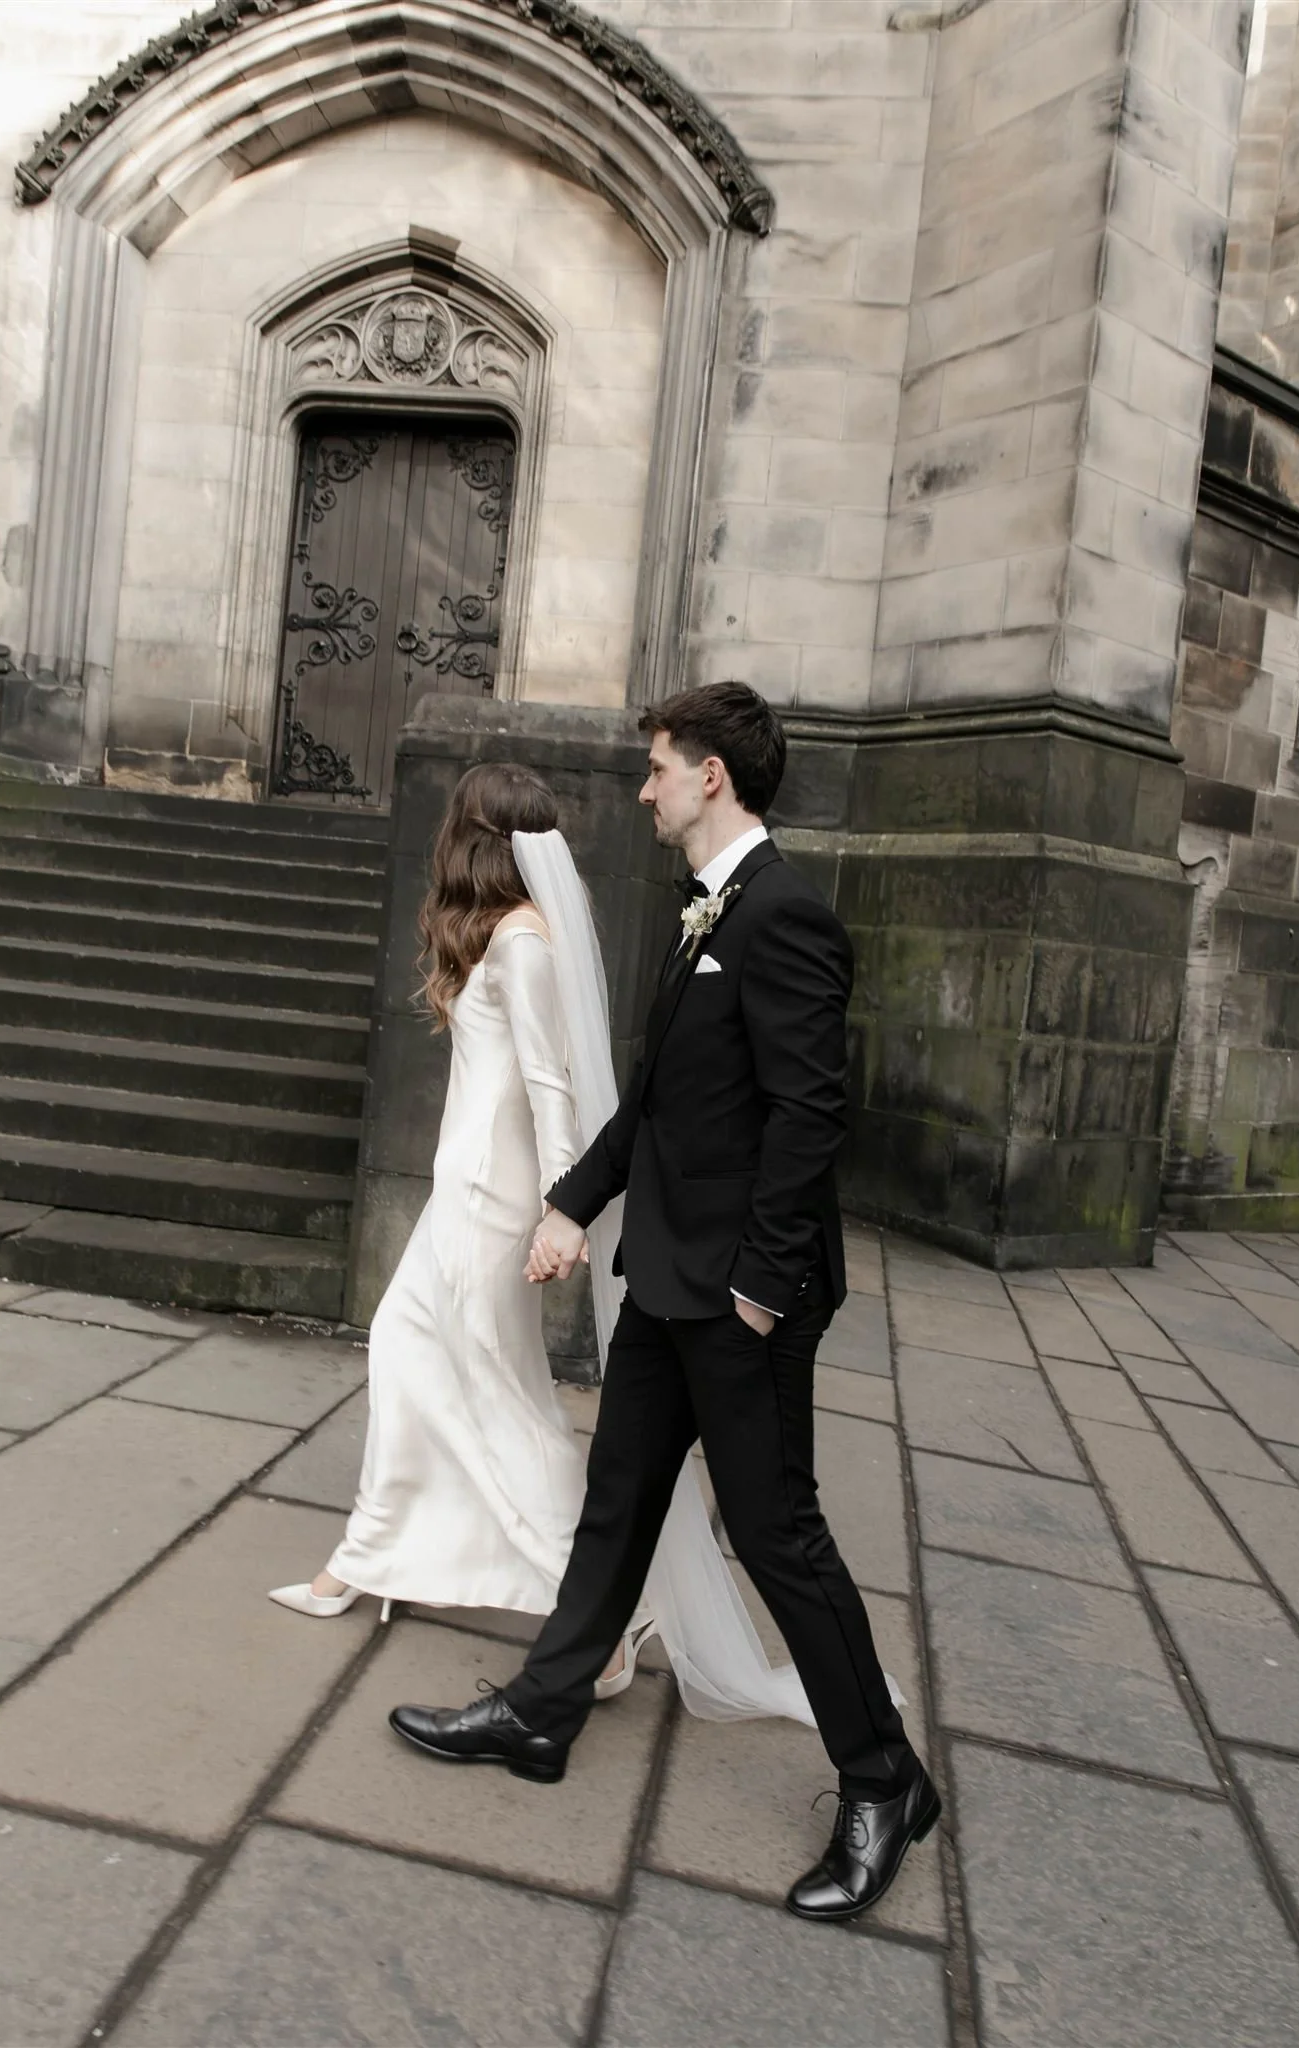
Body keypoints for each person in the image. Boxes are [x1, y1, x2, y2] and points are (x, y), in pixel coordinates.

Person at [387, 682, 940, 1924]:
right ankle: (539, 1712)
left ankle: (880, 1777)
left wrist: (753, 1291)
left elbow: (809, 1118)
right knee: (618, 1494)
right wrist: (573, 1204)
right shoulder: (708, 915)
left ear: (710, 779)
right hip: (668, 1279)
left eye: (656, 768)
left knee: (776, 1534)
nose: (641, 789)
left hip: (738, 1297)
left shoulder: (784, 915)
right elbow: (654, 1105)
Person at [266, 763, 644, 1697]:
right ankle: (370, 1555)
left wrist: (567, 1209)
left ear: (473, 835)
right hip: (464, 1190)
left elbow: (553, 1085)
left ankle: (610, 1611)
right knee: (413, 1353)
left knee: (500, 1394)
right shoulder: (503, 936)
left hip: (489, 1199)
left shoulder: (522, 944)